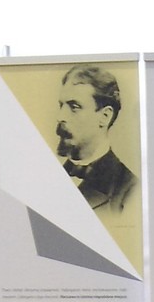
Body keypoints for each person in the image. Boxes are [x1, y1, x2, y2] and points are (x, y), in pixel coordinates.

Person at [55, 64, 137, 218]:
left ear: (105, 117)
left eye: (74, 107)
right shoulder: (49, 177)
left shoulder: (130, 189)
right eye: (61, 106)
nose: (60, 117)